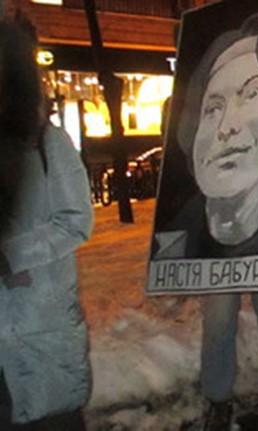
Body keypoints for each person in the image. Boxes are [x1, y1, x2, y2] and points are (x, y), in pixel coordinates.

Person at [152, 12, 258, 430]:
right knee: (218, 322)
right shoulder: (185, 234)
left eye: (252, 94)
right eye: (212, 107)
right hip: (213, 257)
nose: (226, 127)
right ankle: (218, 400)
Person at [0, 21, 94, 430]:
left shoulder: (48, 142)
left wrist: (10, 255)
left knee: (50, 418)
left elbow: (76, 221)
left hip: (41, 328)